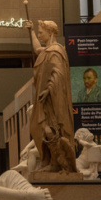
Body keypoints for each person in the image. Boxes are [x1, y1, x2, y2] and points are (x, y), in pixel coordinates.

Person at [25, 19, 76, 173]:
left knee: (49, 129)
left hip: (52, 97)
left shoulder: (56, 51)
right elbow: (37, 49)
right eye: (39, 33)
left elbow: (58, 74)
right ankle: (48, 160)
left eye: (41, 33)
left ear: (50, 32)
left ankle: (56, 163)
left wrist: (48, 90)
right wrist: (31, 31)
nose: (40, 35)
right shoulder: (47, 50)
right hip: (43, 97)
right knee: (37, 127)